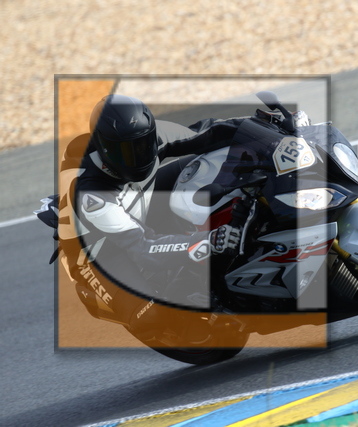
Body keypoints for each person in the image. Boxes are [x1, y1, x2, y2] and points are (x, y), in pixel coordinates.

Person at [67, 94, 251, 335]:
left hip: (140, 199)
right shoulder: (92, 195)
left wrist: (266, 124)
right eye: (123, 151)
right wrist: (207, 241)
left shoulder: (151, 136)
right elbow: (143, 249)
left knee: (208, 162)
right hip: (102, 249)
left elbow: (210, 131)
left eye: (142, 145)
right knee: (149, 317)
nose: (137, 156)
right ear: (102, 147)